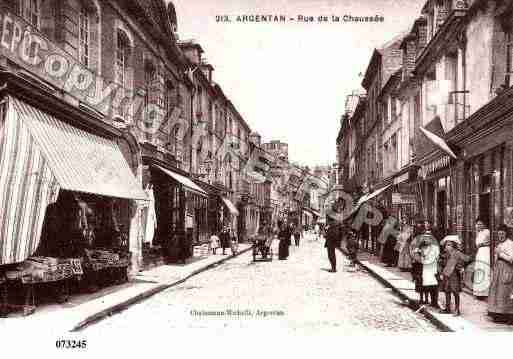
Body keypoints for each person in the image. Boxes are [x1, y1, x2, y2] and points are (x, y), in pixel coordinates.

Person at [439, 235, 472, 316]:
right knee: (447, 291)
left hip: (454, 275)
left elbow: (467, 259)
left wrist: (462, 267)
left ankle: (457, 309)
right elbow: (442, 263)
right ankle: (447, 308)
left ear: (453, 246)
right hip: (447, 274)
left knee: (455, 291)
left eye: (449, 245)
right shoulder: (445, 254)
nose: (447, 246)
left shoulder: (457, 253)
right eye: (446, 245)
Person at [488, 224, 513, 323]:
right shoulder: (499, 244)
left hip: (507, 269)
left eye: (502, 234)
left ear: (506, 234)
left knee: (506, 292)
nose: (501, 236)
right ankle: (499, 315)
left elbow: (512, 259)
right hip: (498, 270)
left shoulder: (510, 244)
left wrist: (500, 253)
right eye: (499, 234)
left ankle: (509, 316)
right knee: (497, 293)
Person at [473, 218, 491, 299]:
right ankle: (479, 292)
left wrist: (482, 244)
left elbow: (491, 241)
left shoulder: (487, 231)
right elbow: (477, 244)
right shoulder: (478, 233)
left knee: (485, 269)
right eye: (478, 224)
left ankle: (486, 292)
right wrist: (481, 244)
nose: (479, 226)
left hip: (486, 252)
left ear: (484, 224)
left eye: (481, 224)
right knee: (479, 270)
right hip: (480, 252)